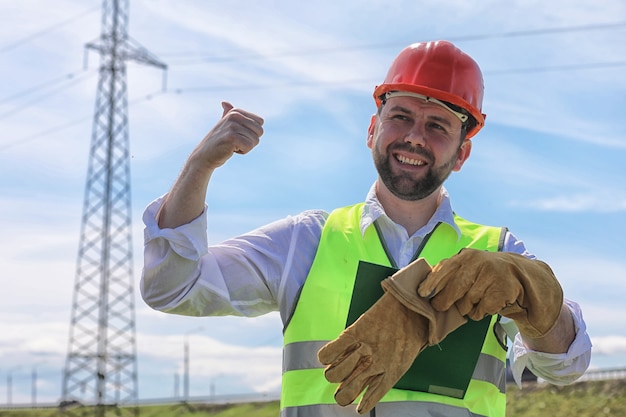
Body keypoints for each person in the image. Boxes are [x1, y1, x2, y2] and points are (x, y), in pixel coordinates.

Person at [140, 40, 592, 417]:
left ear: (461, 155)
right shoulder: (308, 240)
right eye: (401, 117)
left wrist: (526, 291)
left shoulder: (497, 252)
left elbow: (564, 367)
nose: (415, 136)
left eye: (437, 126)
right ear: (373, 129)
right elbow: (172, 289)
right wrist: (199, 167)